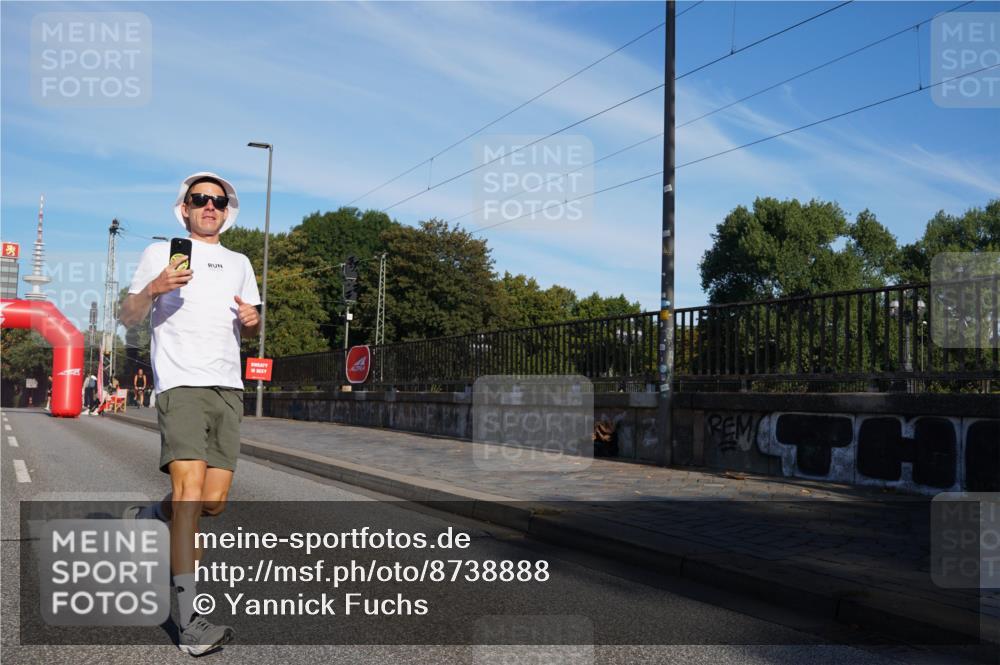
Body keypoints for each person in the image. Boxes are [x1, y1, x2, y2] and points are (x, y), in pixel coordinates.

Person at [119, 171, 260, 656]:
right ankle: (192, 622)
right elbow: (128, 316)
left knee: (214, 501)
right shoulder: (160, 254)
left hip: (228, 388)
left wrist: (252, 319)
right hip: (179, 384)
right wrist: (156, 287)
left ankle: (152, 516)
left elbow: (252, 320)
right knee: (189, 494)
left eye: (218, 201)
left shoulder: (240, 262)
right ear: (184, 208)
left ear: (227, 210)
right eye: (200, 199)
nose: (209, 207)